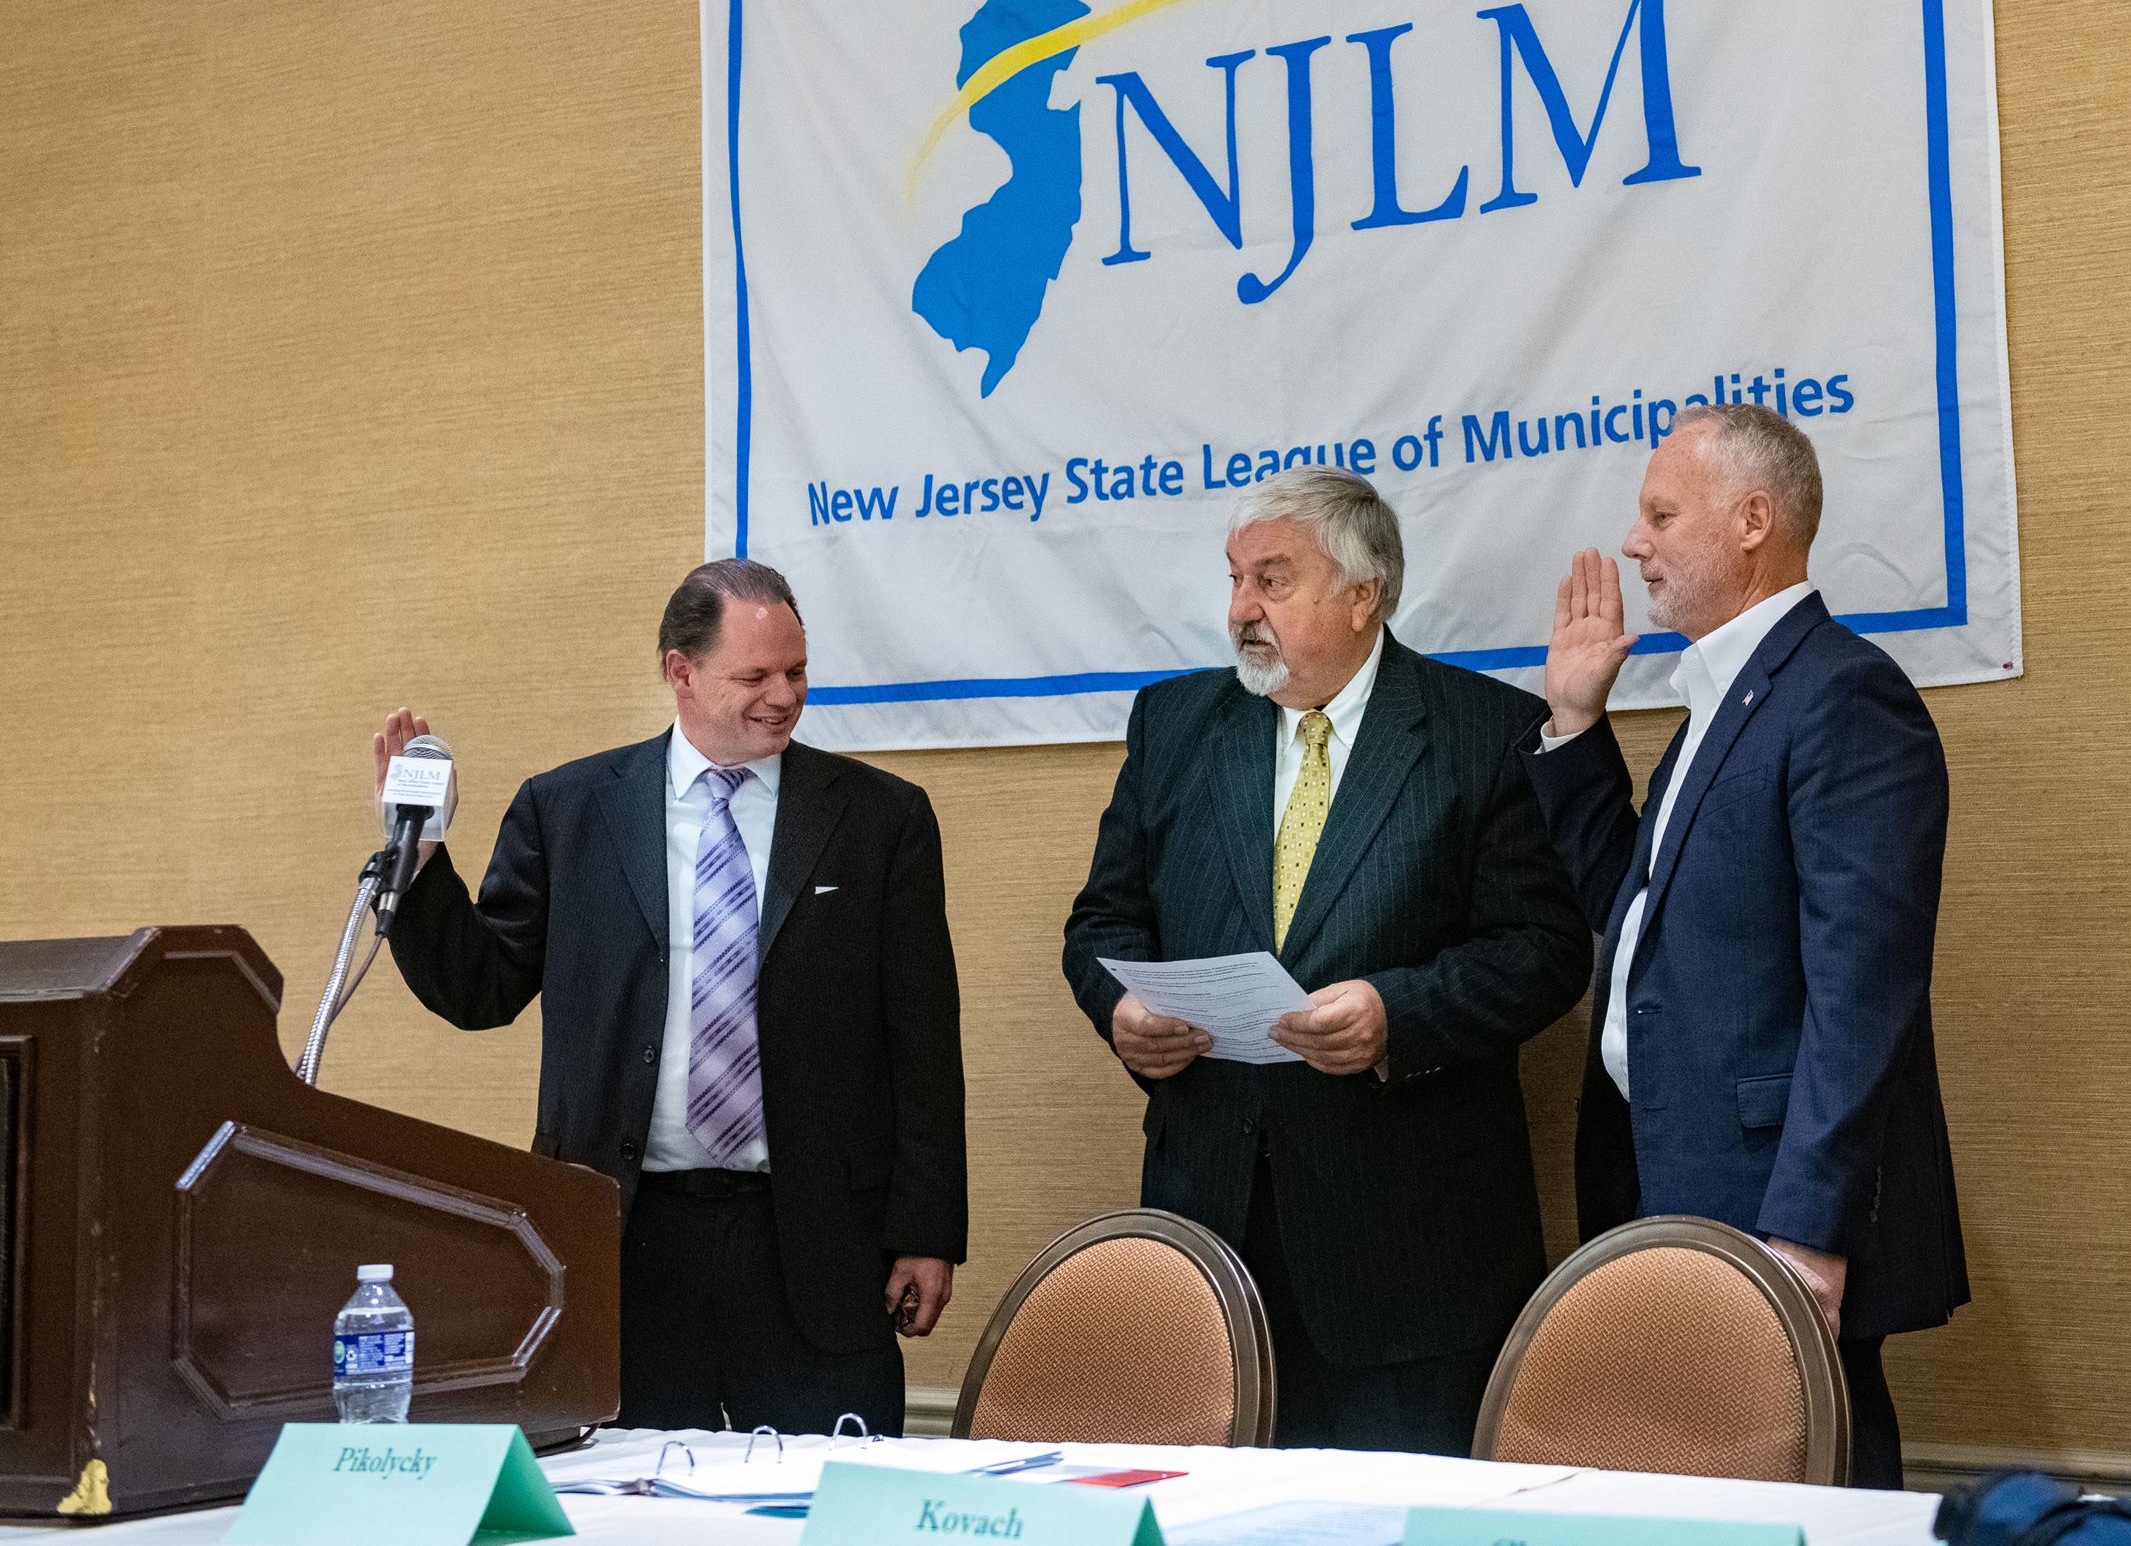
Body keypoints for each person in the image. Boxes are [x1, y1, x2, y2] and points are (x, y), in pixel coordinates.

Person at [1064, 467, 1592, 1457]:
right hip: (1212, 1224)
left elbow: (1543, 950)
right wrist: (1121, 1012)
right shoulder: (1174, 725)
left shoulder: (1482, 733)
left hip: (1410, 1246)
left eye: (1271, 579)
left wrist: (1399, 1014)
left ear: (1363, 595)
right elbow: (1101, 923)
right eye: (1233, 580)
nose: (1239, 610)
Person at [376, 558, 967, 1434]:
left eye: (797, 673)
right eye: (754, 676)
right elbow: (480, 986)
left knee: (831, 1503)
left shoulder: (881, 819)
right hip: (630, 1237)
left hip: (812, 1239)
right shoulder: (568, 811)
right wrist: (418, 862)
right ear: (679, 672)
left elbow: (923, 1038)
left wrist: (927, 1228)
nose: (783, 697)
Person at [1527, 404, 1966, 1489]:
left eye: (1660, 514)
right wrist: (1575, 726)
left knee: (1815, 1477)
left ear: (1751, 521)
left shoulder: (1843, 696)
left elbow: (1863, 989)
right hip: (1668, 1177)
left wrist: (1812, 1228)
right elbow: (1641, 920)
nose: (1635, 544)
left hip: (1773, 1207)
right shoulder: (1722, 699)